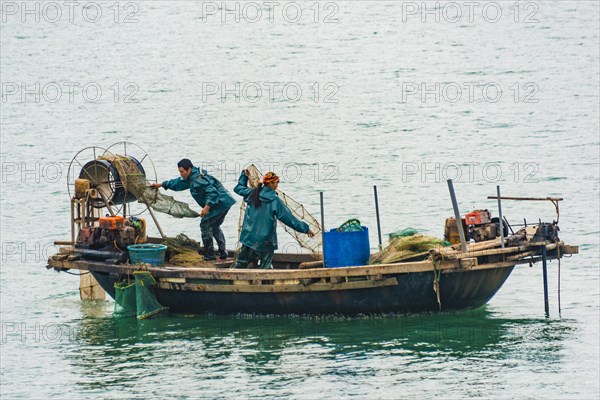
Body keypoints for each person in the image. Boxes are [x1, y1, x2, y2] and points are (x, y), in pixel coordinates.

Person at [151, 159, 235, 261]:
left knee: (205, 225)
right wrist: (161, 185)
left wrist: (207, 207)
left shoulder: (197, 180)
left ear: (189, 169)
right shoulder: (192, 176)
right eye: (179, 172)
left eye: (182, 171)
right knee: (214, 226)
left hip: (219, 203)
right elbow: (178, 183)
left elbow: (212, 193)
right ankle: (223, 252)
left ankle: (209, 255)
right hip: (225, 201)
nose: (181, 174)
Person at [233, 170, 314, 269]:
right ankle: (265, 282)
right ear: (270, 184)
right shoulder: (275, 200)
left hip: (248, 237)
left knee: (241, 263)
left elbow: (238, 188)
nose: (277, 185)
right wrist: (305, 229)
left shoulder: (252, 193)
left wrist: (243, 176)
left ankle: (236, 281)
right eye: (276, 182)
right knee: (265, 267)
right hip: (266, 240)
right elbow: (289, 219)